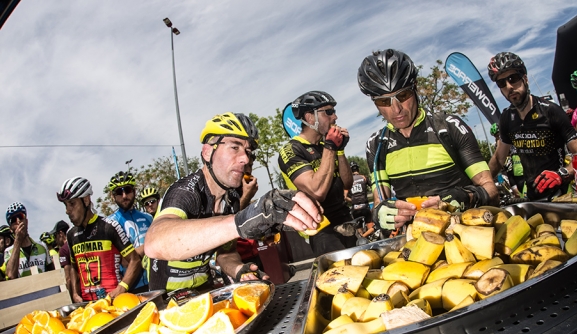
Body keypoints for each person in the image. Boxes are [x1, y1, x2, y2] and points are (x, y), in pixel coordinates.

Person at [145, 112, 321, 292]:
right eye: (235, 147)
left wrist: (240, 270)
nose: (245, 159)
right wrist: (238, 222)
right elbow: (154, 242)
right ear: (207, 152)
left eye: (248, 152)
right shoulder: (186, 191)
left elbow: (225, 254)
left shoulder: (232, 198)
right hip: (166, 295)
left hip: (204, 288)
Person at [357, 49, 498, 231]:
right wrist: (380, 214)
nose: (396, 109)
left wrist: (467, 196)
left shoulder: (449, 127)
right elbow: (379, 203)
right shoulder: (376, 145)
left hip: (465, 232)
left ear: (415, 87)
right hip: (417, 241)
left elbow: (491, 190)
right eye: (384, 102)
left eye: (403, 96)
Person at [487, 52, 577, 201]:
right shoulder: (507, 118)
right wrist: (482, 185)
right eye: (501, 83)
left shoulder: (551, 111)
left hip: (561, 196)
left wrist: (563, 173)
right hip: (533, 199)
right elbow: (499, 159)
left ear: (525, 79)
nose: (509, 86)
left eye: (512, 79)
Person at [277, 91, 356, 254]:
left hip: (345, 217)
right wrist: (330, 147)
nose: (335, 117)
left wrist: (340, 150)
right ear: (310, 117)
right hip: (321, 226)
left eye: (334, 111)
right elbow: (316, 191)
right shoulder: (291, 149)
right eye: (328, 112)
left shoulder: (326, 146)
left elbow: (347, 183)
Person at [57, 176, 142, 301]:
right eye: (65, 205)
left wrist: (121, 288)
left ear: (86, 200)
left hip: (112, 301)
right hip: (88, 306)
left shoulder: (109, 226)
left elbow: (135, 261)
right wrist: (75, 293)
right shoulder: (71, 235)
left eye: (72, 204)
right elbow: (74, 269)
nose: (67, 210)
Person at [107, 171, 153, 291]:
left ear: (134, 191)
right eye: (118, 192)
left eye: (127, 190)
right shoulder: (110, 223)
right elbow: (125, 261)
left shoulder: (148, 218)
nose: (124, 196)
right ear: (112, 196)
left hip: (153, 281)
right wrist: (149, 245)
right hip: (130, 286)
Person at [3, 203, 54, 279]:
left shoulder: (42, 246)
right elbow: (11, 275)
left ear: (26, 221)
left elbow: (52, 273)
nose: (18, 221)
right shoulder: (8, 252)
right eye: (13, 219)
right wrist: (17, 241)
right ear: (10, 228)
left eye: (21, 216)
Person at [50, 220, 81, 302]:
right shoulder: (77, 242)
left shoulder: (63, 250)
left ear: (61, 234)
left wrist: (69, 298)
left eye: (55, 235)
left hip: (77, 292)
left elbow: (68, 278)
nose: (55, 239)